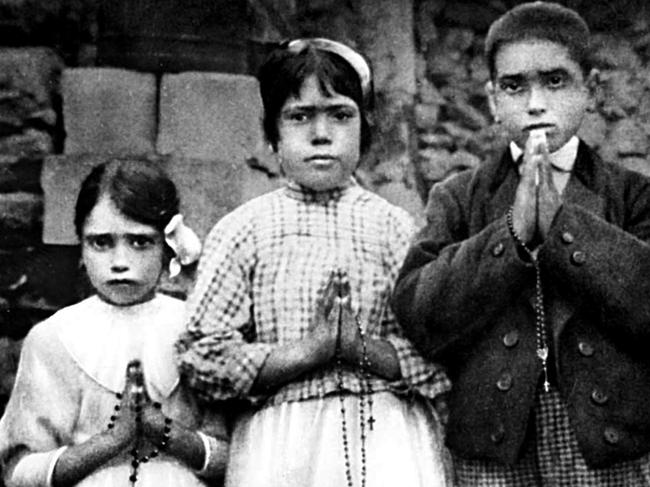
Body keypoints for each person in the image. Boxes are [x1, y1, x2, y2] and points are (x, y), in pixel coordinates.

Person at [392, 2, 650, 485]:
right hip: (495, 446)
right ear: (492, 99)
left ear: (590, 90)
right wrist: (509, 234)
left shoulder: (633, 195)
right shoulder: (458, 197)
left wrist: (564, 226)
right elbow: (418, 312)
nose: (535, 102)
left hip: (605, 442)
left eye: (555, 82)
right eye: (515, 86)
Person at [175, 38, 452, 487]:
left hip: (386, 439)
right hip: (279, 445)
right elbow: (203, 355)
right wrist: (311, 350)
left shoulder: (397, 229)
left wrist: (362, 349)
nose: (321, 134)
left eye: (340, 115)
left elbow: (437, 350)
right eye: (300, 116)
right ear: (272, 135)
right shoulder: (244, 230)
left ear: (365, 127)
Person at [0, 159, 227, 486]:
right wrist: (112, 440)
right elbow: (18, 471)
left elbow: (235, 455)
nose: (120, 262)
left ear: (168, 246)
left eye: (140, 241)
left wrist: (162, 430)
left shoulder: (198, 329)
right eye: (101, 242)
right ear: (81, 246)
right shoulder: (53, 338)